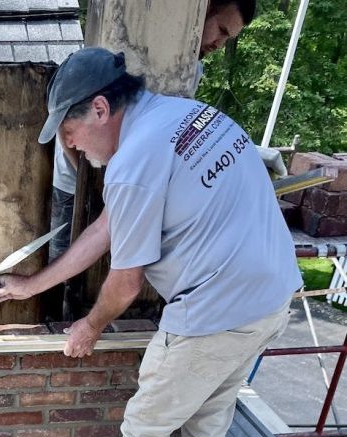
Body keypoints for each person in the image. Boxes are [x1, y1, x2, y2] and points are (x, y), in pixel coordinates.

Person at [0, 47, 302, 437]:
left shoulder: (132, 162)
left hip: (213, 312)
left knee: (146, 425)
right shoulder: (190, 117)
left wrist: (89, 326)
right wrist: (33, 285)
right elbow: (112, 225)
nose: (72, 148)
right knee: (210, 419)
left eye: (70, 132)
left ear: (102, 110)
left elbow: (125, 283)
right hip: (269, 298)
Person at [48, 0, 263, 264]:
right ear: (201, 11)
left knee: (103, 260)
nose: (220, 43)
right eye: (220, 29)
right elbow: (65, 123)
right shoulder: (121, 52)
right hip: (73, 181)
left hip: (128, 185)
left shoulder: (189, 71)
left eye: (228, 37)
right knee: (62, 262)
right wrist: (92, 183)